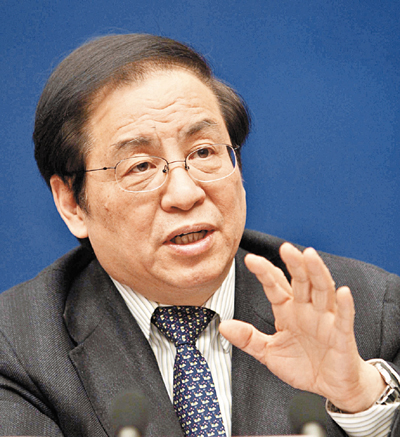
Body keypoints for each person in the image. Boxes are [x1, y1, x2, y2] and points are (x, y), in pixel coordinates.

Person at [0, 33, 399, 437]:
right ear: (71, 203)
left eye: (204, 152)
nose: (185, 193)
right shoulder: (17, 350)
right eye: (140, 167)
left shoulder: (373, 312)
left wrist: (362, 400)